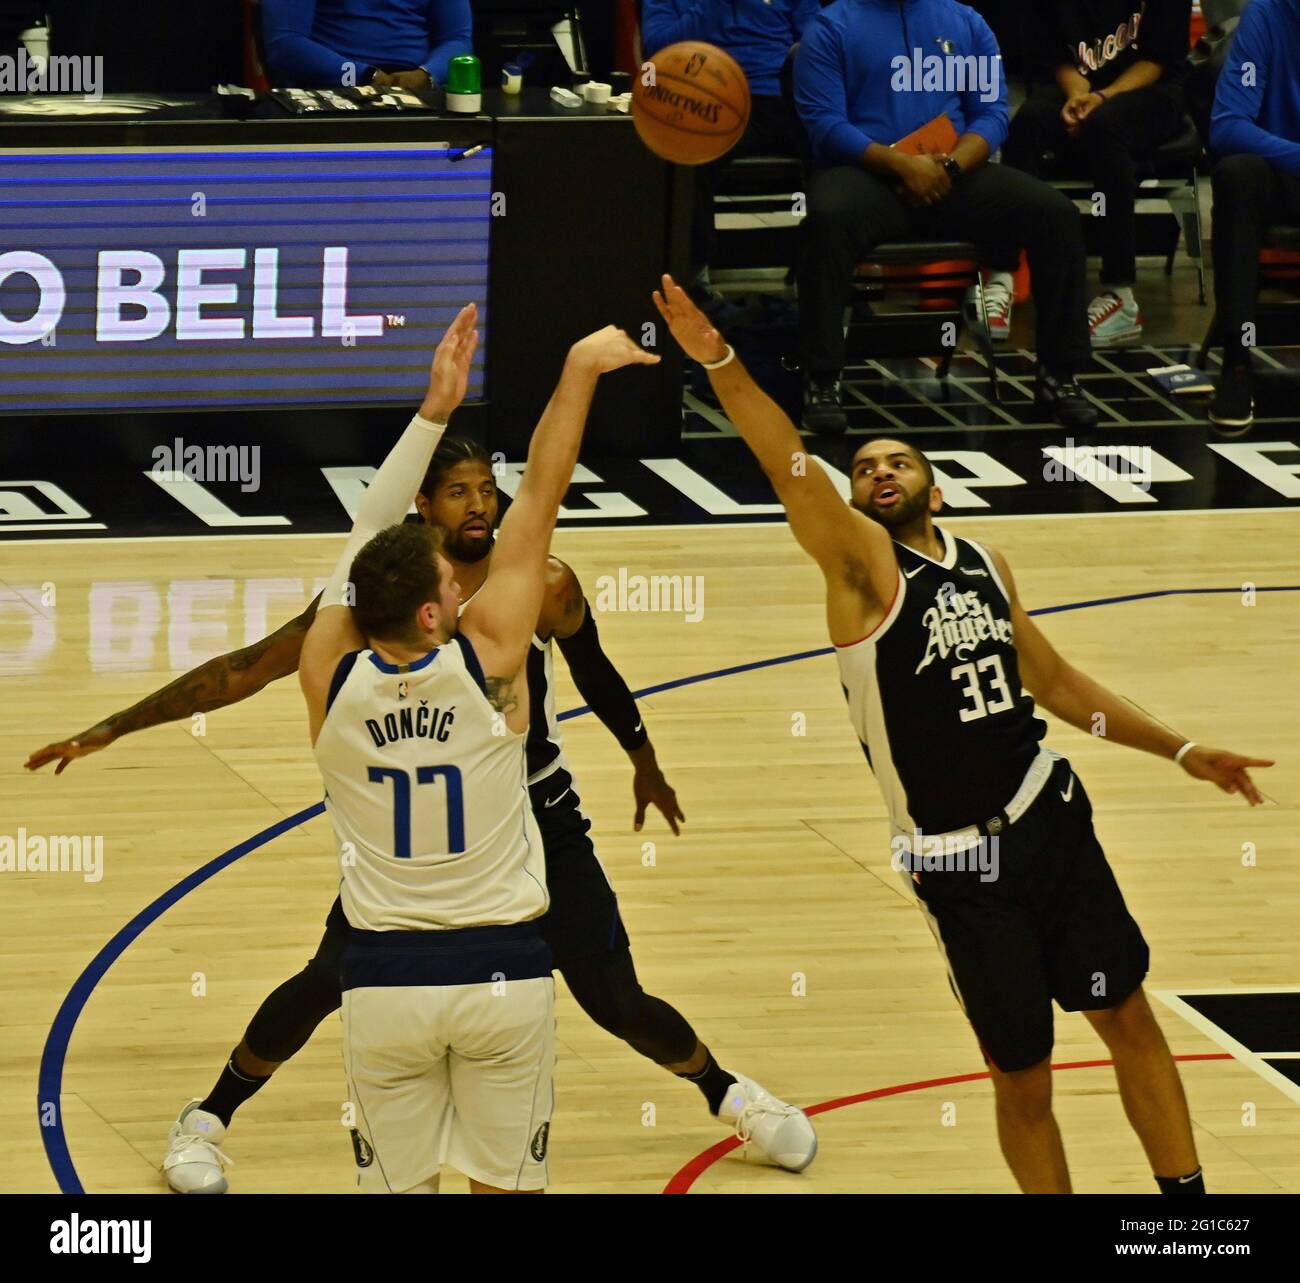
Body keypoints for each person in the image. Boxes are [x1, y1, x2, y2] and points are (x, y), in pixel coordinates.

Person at [27, 382, 818, 1197]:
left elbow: (596, 668)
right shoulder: (387, 593)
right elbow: (246, 667)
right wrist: (116, 724)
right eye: (458, 492)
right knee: (329, 976)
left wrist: (643, 756)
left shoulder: (538, 580)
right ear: (424, 506)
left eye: (486, 488)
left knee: (613, 994)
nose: (479, 504)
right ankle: (207, 1117)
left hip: (538, 807)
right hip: (432, 829)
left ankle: (730, 1094)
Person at [652, 271, 1274, 1193]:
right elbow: (785, 458)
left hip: (1049, 816)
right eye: (863, 467)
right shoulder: (861, 570)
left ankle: (1187, 1220)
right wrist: (721, 360)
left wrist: (1181, 749)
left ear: (934, 489)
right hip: (957, 861)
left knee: (1129, 1017)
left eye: (896, 461)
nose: (877, 473)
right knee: (1022, 1074)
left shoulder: (986, 562)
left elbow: (1058, 682)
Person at [296, 307, 660, 1192]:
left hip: (383, 976)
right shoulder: (498, 663)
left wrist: (432, 414)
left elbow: (362, 551)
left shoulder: (329, 675)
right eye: (447, 582)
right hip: (503, 969)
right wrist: (577, 367)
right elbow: (540, 494)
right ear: (433, 611)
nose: (464, 582)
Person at [793, 0, 1099, 432]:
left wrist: (950, 166)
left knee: (1056, 214)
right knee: (826, 219)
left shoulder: (967, 22)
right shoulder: (831, 26)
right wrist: (901, 166)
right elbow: (824, 123)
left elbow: (992, 113)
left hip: (952, 172)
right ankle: (822, 379)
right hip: (866, 172)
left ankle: (1059, 375)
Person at [999, 1, 1193, 349]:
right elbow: (1055, 59)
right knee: (1026, 126)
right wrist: (1079, 95)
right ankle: (1002, 272)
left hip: (1153, 91)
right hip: (1080, 86)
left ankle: (1120, 294)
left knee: (1104, 129)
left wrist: (1104, 97)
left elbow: (1159, 61)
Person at [640, 0, 821, 308]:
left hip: (777, 95)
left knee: (837, 144)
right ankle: (694, 278)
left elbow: (818, 40)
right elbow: (656, 48)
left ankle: (828, 276)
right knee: (687, 153)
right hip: (706, 98)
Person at [1206, 0, 1300, 431]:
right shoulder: (1267, 14)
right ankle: (1237, 362)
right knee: (1235, 175)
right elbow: (1227, 126)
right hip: (1282, 175)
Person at [262, 0, 472, 91]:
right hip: (336, 87)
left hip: (419, 89)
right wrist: (364, 76)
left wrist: (427, 75)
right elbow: (285, 44)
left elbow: (458, 40)